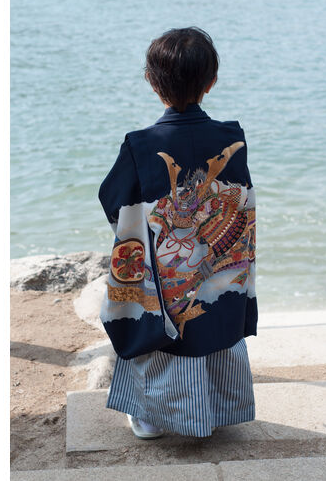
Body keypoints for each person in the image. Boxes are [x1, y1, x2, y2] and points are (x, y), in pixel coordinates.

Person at [98, 27, 258, 439]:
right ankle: (220, 407)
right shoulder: (231, 139)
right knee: (215, 315)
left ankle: (152, 416)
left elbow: (113, 200)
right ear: (212, 81)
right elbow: (241, 198)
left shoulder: (141, 144)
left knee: (160, 329)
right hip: (215, 260)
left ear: (152, 83)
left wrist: (141, 230)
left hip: (167, 266)